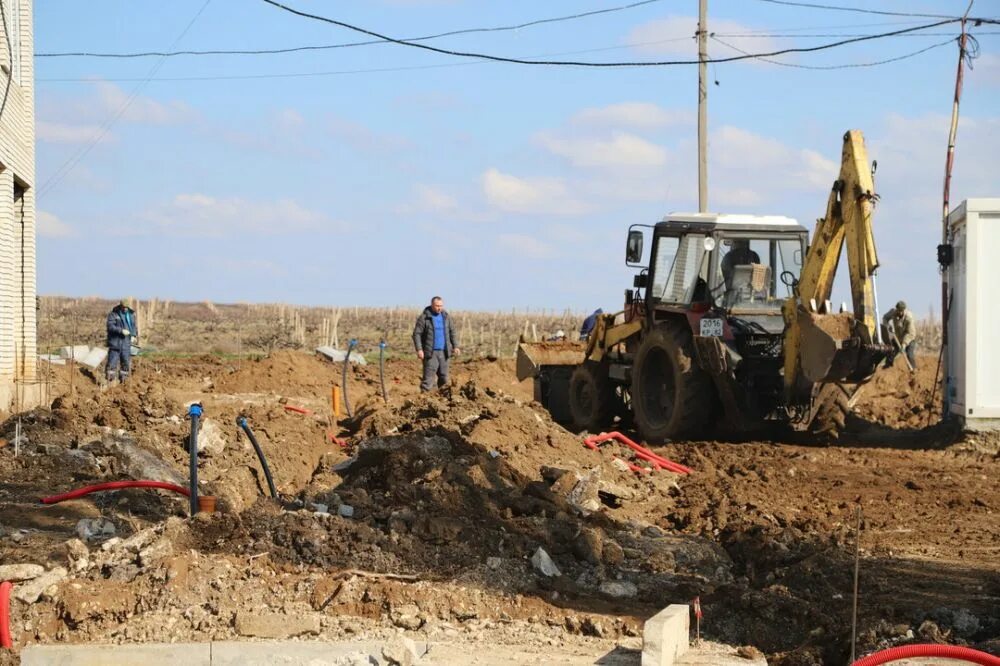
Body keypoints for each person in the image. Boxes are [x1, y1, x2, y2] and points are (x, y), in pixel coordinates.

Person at [412, 296, 460, 392]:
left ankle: (444, 400)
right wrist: (419, 349)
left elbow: (452, 332)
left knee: (444, 378)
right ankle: (424, 399)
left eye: (441, 306)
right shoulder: (424, 318)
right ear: (432, 305)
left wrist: (455, 346)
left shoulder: (446, 317)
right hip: (430, 353)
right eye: (437, 306)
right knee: (428, 380)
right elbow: (416, 334)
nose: (439, 308)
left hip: (444, 352)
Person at [106, 297, 138, 383]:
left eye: (127, 307)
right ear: (120, 306)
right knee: (112, 363)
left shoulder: (131, 315)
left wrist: (134, 335)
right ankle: (110, 381)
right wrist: (121, 330)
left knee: (125, 363)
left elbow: (134, 326)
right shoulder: (113, 314)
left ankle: (123, 381)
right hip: (115, 343)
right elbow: (110, 326)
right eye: (124, 307)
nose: (125, 309)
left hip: (126, 344)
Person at [882, 300, 917, 370]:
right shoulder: (893, 312)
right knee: (891, 351)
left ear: (904, 310)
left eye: (901, 311)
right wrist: (888, 326)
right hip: (898, 337)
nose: (899, 312)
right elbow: (885, 318)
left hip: (909, 339)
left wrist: (904, 344)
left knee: (909, 354)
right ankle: (887, 367)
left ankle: (913, 370)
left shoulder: (909, 318)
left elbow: (911, 333)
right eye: (898, 310)